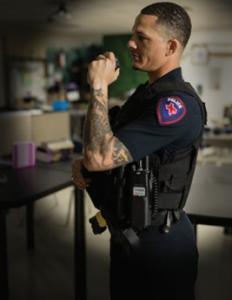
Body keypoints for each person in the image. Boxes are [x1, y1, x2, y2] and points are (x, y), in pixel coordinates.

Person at [72, 2, 207, 300]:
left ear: (171, 47)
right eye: (133, 35)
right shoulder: (144, 98)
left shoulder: (177, 106)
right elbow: (104, 148)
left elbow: (99, 157)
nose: (130, 43)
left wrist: (98, 85)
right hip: (127, 238)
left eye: (142, 37)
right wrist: (84, 163)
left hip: (161, 247)